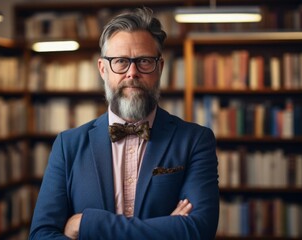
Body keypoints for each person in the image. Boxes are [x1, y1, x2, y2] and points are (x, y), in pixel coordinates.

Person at [29, 7, 219, 240]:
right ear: (103, 69)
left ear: (159, 68)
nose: (132, 73)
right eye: (120, 61)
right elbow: (40, 235)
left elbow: (198, 231)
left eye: (144, 61)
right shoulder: (67, 145)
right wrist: (168, 228)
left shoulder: (195, 140)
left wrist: (87, 224)